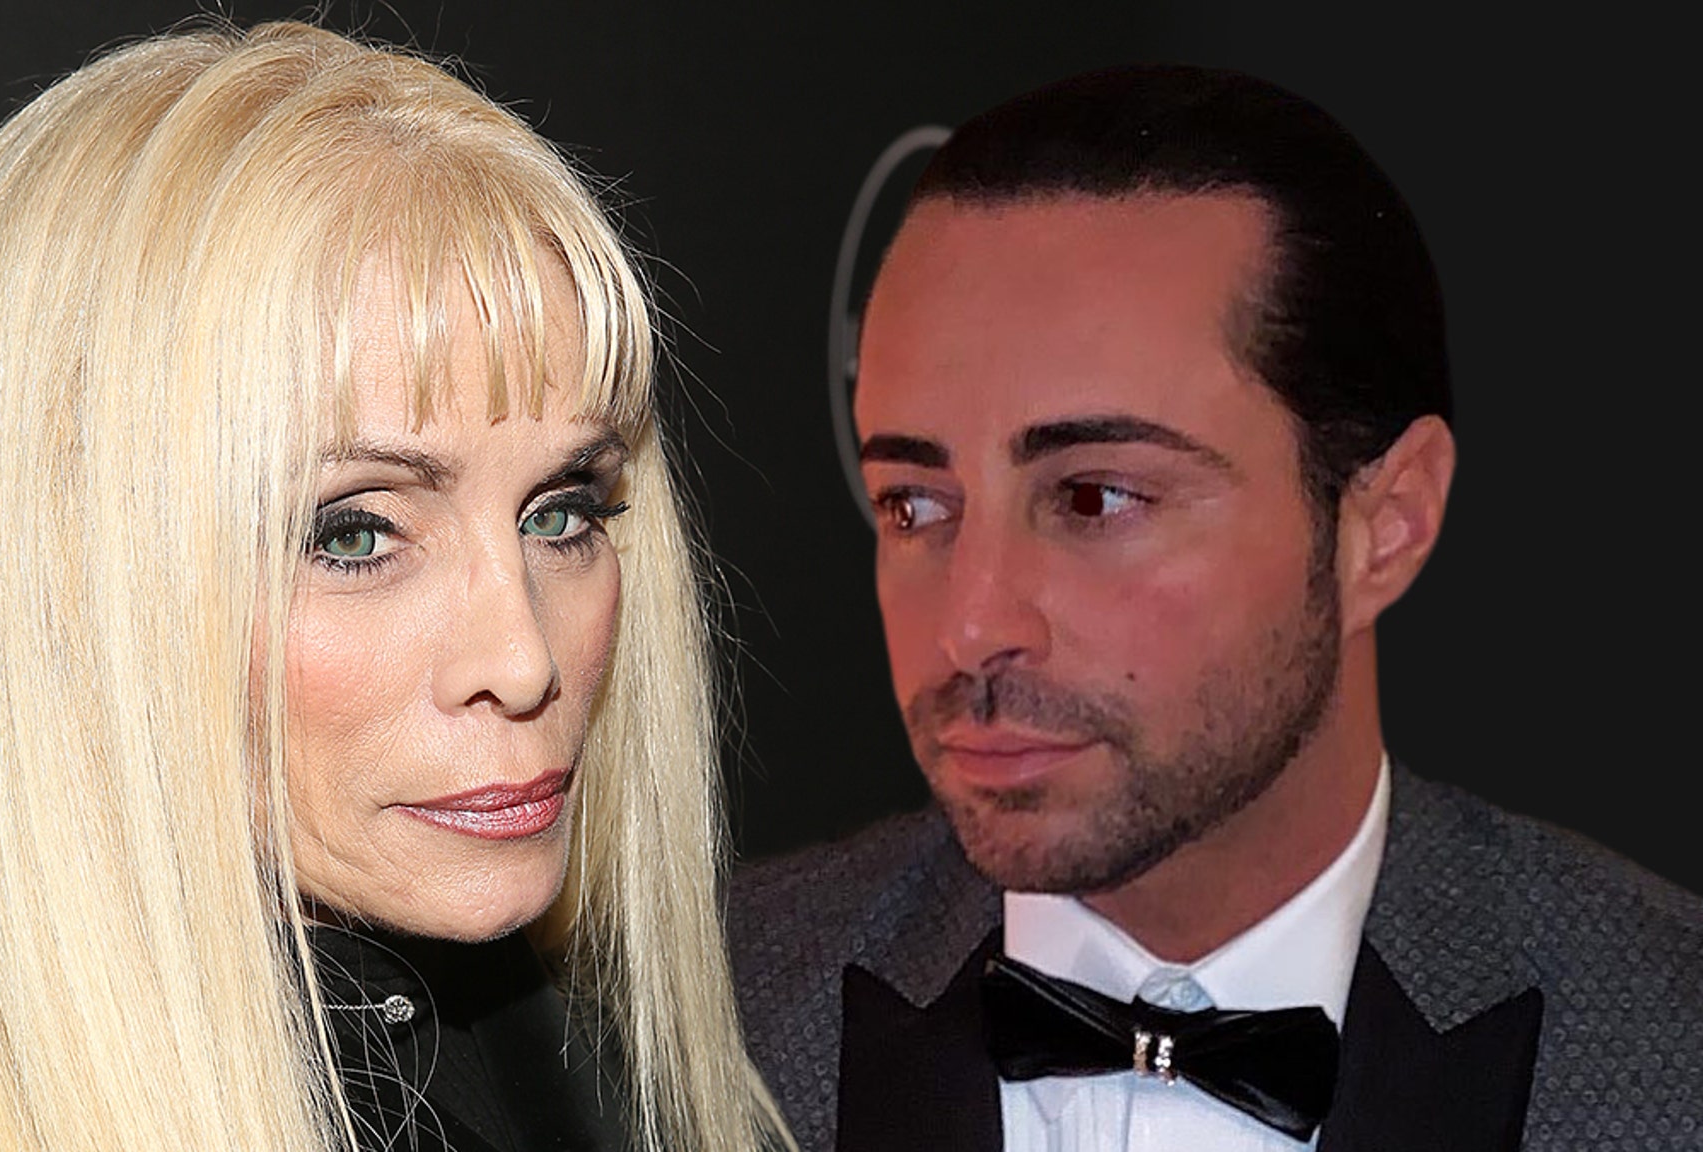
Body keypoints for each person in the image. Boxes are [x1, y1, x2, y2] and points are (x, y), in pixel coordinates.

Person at [0, 20, 792, 1152]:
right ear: (73, 595)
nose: (523, 658)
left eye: (561, 512)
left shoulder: (601, 1070)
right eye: (356, 535)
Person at [728, 63, 1703, 1151]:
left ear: (1384, 525)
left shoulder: (1671, 1040)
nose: (970, 625)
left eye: (1094, 498)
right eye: (914, 505)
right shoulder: (684, 1021)